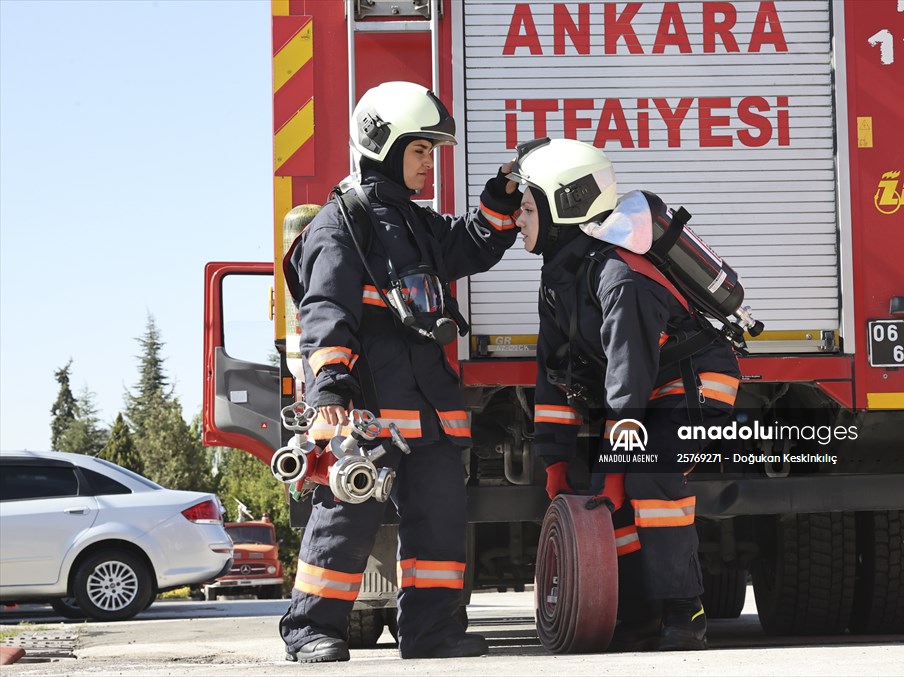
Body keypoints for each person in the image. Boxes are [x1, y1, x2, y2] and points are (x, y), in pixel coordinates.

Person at [280, 81, 521, 663]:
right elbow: (325, 308)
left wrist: (501, 199)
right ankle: (312, 629)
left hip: (431, 412)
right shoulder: (341, 224)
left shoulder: (415, 222)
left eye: (431, 151)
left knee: (438, 529)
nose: (428, 162)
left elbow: (470, 246)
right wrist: (331, 382)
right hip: (365, 409)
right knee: (346, 520)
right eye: (420, 150)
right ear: (381, 144)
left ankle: (432, 632)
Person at [510, 138, 741, 652]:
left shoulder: (622, 276)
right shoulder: (560, 276)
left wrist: (615, 466)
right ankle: (636, 612)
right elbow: (555, 376)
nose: (517, 220)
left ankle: (686, 611)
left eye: (527, 207)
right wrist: (554, 458)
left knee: (649, 475)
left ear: (559, 209)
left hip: (693, 385)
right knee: (598, 490)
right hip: (642, 391)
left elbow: (627, 377)